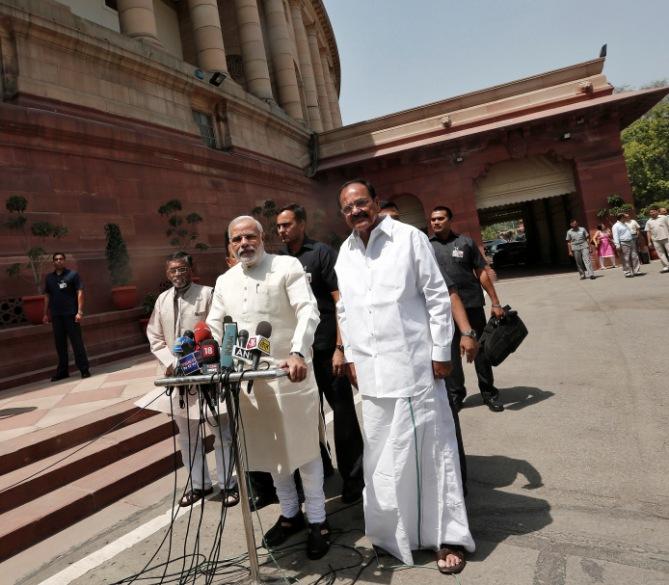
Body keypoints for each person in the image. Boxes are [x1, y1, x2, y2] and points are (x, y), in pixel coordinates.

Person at [335, 179, 474, 575]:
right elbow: (345, 310)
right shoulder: (345, 253)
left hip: (415, 368)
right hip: (373, 377)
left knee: (432, 455)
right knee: (383, 457)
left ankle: (447, 537)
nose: (356, 211)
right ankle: (393, 536)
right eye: (348, 207)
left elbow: (436, 295)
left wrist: (439, 351)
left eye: (361, 203)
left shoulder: (409, 238)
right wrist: (351, 358)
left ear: (376, 203)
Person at [207, 216, 330, 560]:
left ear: (262, 237)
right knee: (270, 452)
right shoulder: (225, 280)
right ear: (230, 244)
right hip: (248, 381)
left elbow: (308, 310)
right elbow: (215, 326)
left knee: (303, 451)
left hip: (290, 375)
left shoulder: (286, 266)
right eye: (236, 239)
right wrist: (210, 355)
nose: (244, 243)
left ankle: (318, 520)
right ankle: (290, 514)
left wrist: (297, 352)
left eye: (250, 236)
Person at [276, 203, 365, 503]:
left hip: (328, 351)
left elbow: (341, 301)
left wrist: (342, 347)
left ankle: (354, 481)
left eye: (287, 224)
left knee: (343, 416)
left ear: (302, 223)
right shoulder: (277, 262)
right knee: (306, 419)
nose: (281, 230)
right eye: (278, 226)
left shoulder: (322, 253)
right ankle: (323, 469)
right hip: (299, 355)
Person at [140, 252, 238, 507]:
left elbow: (217, 330)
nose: (178, 274)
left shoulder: (207, 293)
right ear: (166, 273)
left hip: (206, 374)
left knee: (221, 430)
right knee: (187, 436)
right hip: (177, 378)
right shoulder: (162, 300)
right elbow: (155, 336)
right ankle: (199, 485)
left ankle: (228, 483)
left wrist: (200, 359)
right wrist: (172, 362)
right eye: (173, 270)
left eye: (182, 269)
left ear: (190, 270)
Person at [429, 206, 506, 413]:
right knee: (451, 353)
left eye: (440, 218)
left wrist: (495, 302)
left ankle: (488, 392)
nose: (436, 222)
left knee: (480, 350)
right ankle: (455, 396)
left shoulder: (465, 242)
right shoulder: (427, 247)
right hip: (443, 310)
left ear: (449, 220)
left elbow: (481, 272)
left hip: (471, 305)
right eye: (433, 219)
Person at [43, 252, 90, 381]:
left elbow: (80, 293)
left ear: (64, 261)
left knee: (77, 343)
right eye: (56, 259)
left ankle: (84, 369)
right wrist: (45, 314)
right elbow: (47, 296)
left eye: (61, 259)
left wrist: (79, 311)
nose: (58, 261)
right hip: (56, 316)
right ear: (53, 262)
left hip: (71, 315)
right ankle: (63, 371)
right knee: (60, 345)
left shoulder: (72, 275)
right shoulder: (49, 278)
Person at [644, 206, 669, 273]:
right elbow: (648, 232)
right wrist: (649, 242)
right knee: (660, 254)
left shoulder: (664, 218)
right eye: (650, 212)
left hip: (666, 237)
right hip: (656, 240)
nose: (652, 213)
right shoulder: (649, 221)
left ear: (657, 211)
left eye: (653, 212)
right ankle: (666, 266)